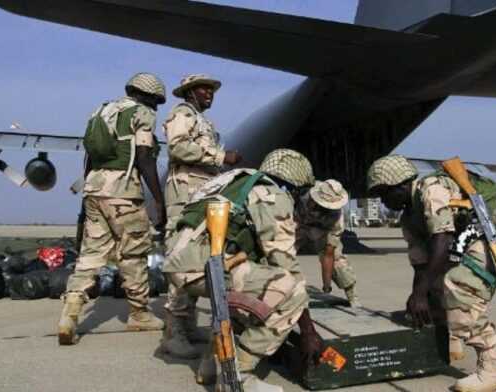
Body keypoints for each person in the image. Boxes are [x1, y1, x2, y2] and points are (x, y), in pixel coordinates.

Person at [366, 155, 496, 392]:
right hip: (476, 239)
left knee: (459, 286)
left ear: (403, 184)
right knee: (433, 287)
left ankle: (493, 369)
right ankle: (450, 340)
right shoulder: (409, 218)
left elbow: (443, 240)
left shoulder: (431, 191)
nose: (383, 201)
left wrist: (420, 294)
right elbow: (421, 264)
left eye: (385, 193)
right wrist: (417, 296)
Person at [163, 149, 323, 392]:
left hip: (179, 261)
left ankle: (211, 363)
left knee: (249, 290)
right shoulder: (273, 195)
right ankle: (239, 375)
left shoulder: (232, 180)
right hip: (203, 265)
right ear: (296, 185)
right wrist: (308, 331)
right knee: (292, 292)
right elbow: (286, 264)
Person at [58, 72, 168, 345]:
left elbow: (89, 157)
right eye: (155, 101)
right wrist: (158, 197)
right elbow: (144, 157)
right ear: (146, 96)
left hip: (94, 189)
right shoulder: (141, 113)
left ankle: (70, 312)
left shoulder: (102, 109)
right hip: (123, 193)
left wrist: (87, 195)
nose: (155, 107)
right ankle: (140, 314)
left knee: (91, 254)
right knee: (134, 252)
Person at [160, 74, 243, 358]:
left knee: (197, 258)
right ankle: (173, 333)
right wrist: (220, 157)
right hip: (185, 193)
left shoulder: (202, 120)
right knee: (182, 257)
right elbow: (178, 146)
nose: (209, 93)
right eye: (203, 88)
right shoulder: (182, 113)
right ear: (189, 92)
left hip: (200, 193)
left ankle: (187, 325)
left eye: (211, 89)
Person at [295, 179, 360, 306]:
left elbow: (328, 255)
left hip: (322, 229)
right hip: (299, 224)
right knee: (281, 252)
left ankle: (353, 297)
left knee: (337, 260)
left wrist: (327, 286)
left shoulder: (336, 220)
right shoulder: (303, 194)